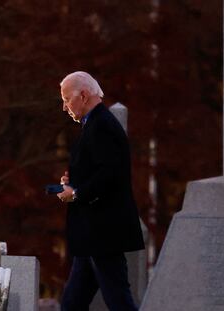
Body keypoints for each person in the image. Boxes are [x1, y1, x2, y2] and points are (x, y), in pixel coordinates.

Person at [57, 71, 144, 311]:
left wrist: (75, 193)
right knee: (72, 304)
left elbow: (109, 176)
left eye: (66, 99)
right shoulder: (95, 124)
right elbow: (99, 169)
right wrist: (73, 180)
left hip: (103, 232)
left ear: (83, 95)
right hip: (93, 234)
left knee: (118, 301)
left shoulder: (102, 125)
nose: (65, 108)